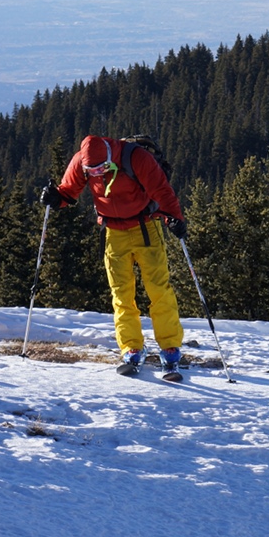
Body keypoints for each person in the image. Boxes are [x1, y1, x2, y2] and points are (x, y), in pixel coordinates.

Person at [41, 135, 188, 379]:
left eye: (102, 168)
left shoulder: (136, 157)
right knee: (121, 293)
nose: (98, 174)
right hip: (112, 232)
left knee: (158, 289)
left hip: (146, 227)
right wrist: (55, 198)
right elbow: (68, 192)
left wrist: (174, 218)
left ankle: (170, 347)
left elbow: (162, 190)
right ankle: (131, 348)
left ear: (110, 155)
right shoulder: (81, 162)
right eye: (92, 170)